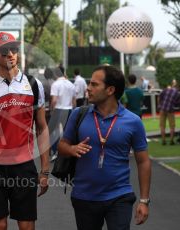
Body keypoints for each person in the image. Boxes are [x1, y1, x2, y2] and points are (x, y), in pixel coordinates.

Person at [0, 32, 50, 230]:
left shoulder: (33, 85)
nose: (11, 54)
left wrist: (45, 171)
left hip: (24, 165)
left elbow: (42, 129)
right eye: (4, 51)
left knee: (26, 224)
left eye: (14, 49)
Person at [58, 65, 151, 230]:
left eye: (94, 84)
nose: (88, 88)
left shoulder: (133, 121)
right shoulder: (78, 114)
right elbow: (62, 146)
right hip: (84, 196)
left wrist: (144, 201)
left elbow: (143, 161)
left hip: (119, 196)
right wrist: (72, 149)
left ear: (110, 90)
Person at [49, 66, 76, 161]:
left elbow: (54, 100)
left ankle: (56, 152)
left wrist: (52, 110)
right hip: (69, 110)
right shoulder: (71, 84)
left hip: (58, 110)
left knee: (53, 132)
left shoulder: (55, 84)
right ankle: (67, 152)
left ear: (56, 73)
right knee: (67, 132)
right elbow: (74, 101)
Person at [158, 79, 179, 145]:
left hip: (162, 109)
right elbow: (177, 103)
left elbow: (159, 97)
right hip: (170, 110)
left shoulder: (166, 89)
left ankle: (163, 141)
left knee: (162, 126)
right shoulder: (177, 93)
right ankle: (171, 141)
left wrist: (160, 105)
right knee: (172, 126)